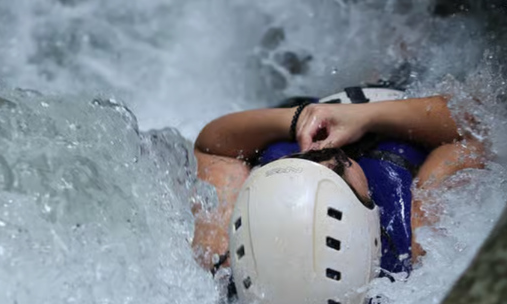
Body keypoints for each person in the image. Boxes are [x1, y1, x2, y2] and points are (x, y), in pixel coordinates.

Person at [191, 87, 485, 304]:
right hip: (408, 104)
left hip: (292, 110)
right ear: (368, 226)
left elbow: (211, 149)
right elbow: (477, 127)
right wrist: (367, 117)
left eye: (297, 163)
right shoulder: (414, 242)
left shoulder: (225, 264)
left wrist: (300, 119)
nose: (320, 151)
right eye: (337, 168)